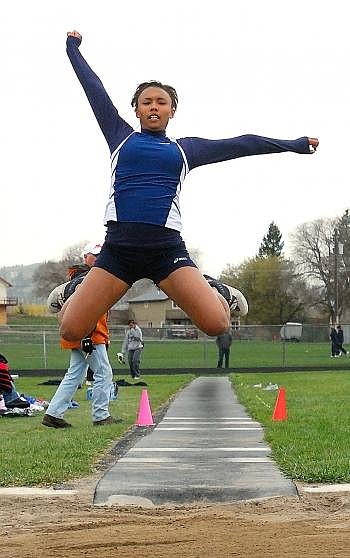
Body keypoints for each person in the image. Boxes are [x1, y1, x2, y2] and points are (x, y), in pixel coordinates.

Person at [59, 30, 319, 347]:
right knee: (70, 330)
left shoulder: (185, 150)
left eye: (161, 102)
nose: (153, 106)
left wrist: (293, 145)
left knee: (217, 324)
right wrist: (73, 48)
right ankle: (77, 286)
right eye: (146, 102)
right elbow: (94, 89)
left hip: (165, 251)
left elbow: (242, 143)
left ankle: (216, 288)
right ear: (137, 110)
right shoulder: (120, 137)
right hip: (119, 251)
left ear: (172, 111)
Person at [42, 242, 120, 428]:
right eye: (94, 255)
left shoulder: (82, 278)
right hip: (89, 335)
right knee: (103, 373)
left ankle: (53, 413)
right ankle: (101, 415)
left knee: (75, 374)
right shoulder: (87, 280)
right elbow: (83, 310)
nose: (99, 258)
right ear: (85, 257)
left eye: (101, 254)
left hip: (84, 334)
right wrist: (86, 337)